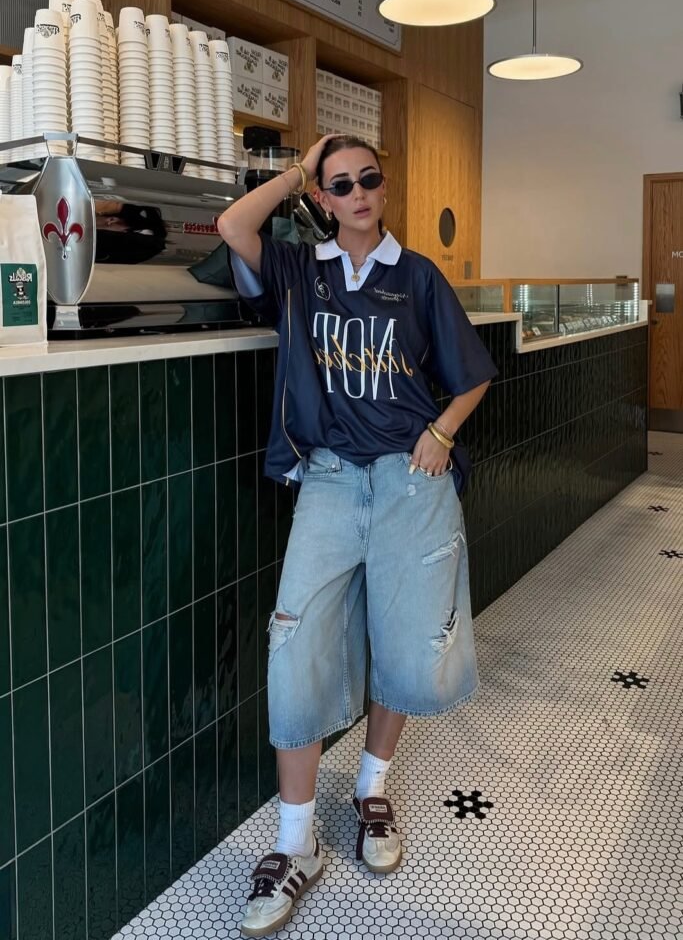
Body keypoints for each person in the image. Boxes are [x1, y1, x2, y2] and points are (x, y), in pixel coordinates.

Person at [217, 134, 498, 939]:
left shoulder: (416, 277)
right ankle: (293, 842)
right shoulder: (301, 273)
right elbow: (236, 228)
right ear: (325, 197)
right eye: (340, 185)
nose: (359, 193)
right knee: (295, 641)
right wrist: (294, 175)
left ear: (384, 184)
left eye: (369, 179)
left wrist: (441, 433)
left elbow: (472, 373)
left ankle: (372, 790)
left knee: (406, 641)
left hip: (413, 483)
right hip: (332, 479)